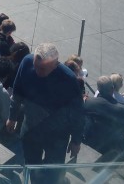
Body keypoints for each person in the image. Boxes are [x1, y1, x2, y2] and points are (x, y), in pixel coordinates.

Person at [6, 43, 84, 184]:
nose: (37, 71)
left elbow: (77, 112)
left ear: (55, 64)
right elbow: (17, 92)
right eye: (36, 66)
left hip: (57, 136)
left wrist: (76, 140)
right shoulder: (27, 61)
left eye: (42, 69)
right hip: (31, 129)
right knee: (31, 165)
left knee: (54, 169)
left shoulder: (69, 79)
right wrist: (12, 117)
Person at [82, 76, 124, 161]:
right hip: (111, 147)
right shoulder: (120, 109)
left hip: (91, 140)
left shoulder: (88, 102)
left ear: (98, 88)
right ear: (112, 89)